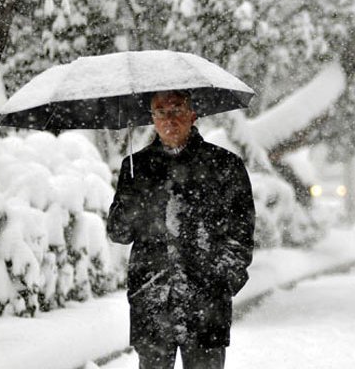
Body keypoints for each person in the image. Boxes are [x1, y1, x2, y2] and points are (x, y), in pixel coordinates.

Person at [107, 90, 255, 368]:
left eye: (176, 109)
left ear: (193, 113)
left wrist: (223, 279)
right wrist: (134, 199)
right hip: (151, 300)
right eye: (160, 112)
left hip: (206, 303)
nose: (168, 119)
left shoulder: (224, 165)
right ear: (151, 117)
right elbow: (118, 232)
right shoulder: (136, 168)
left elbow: (241, 233)